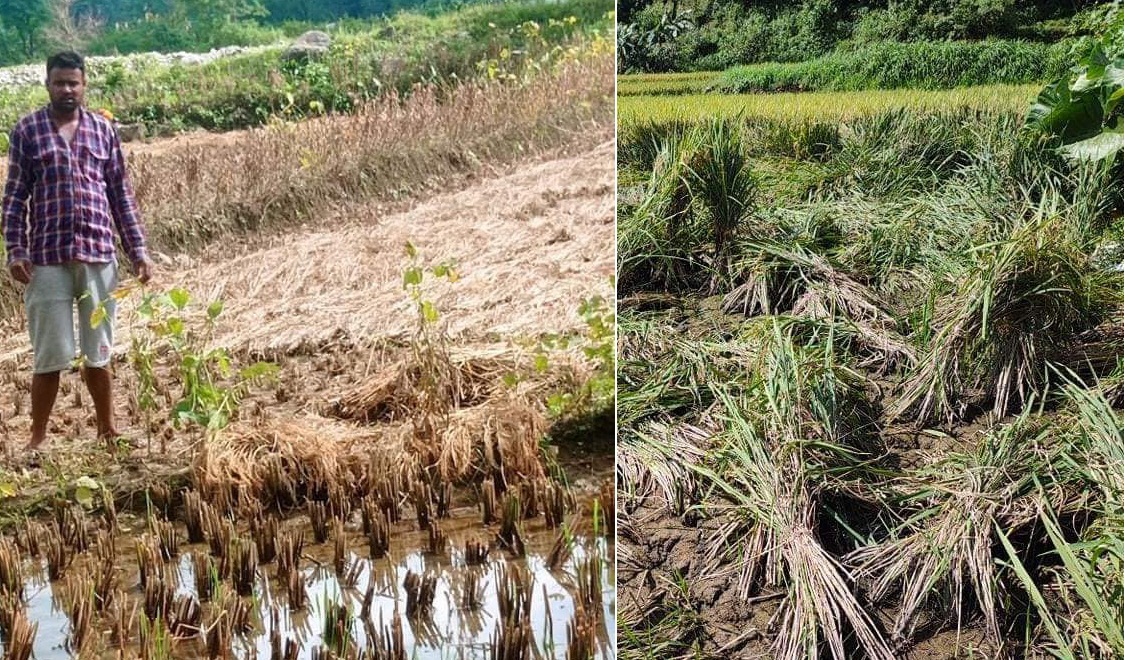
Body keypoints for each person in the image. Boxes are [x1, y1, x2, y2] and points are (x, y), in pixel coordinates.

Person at [2, 50, 153, 456]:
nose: (66, 89)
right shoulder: (27, 131)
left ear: (84, 85)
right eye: (59, 82)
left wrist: (137, 249)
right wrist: (15, 250)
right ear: (47, 84)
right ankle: (37, 437)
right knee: (50, 355)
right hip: (46, 259)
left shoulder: (103, 132)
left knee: (98, 351)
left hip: (98, 252)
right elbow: (14, 198)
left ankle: (107, 429)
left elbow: (121, 195)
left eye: (73, 82)